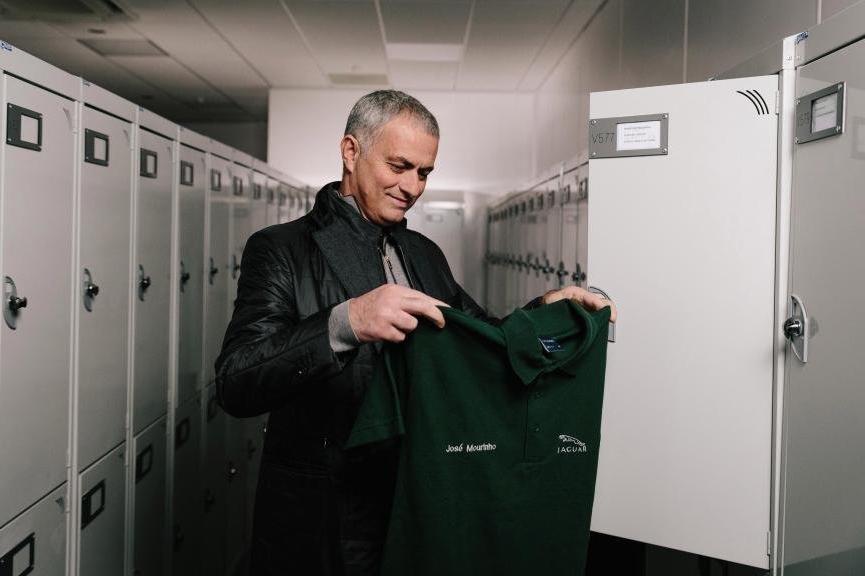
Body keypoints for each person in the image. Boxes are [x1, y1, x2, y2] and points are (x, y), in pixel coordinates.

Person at [215, 90, 616, 575]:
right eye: (399, 166)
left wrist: (546, 310)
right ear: (350, 151)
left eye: (424, 172)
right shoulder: (281, 249)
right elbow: (236, 380)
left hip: (417, 501)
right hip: (327, 514)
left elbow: (482, 340)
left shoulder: (424, 253)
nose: (412, 187)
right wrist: (346, 323)